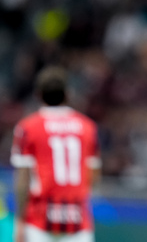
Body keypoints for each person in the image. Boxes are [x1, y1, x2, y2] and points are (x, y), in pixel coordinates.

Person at [10, 66, 101, 242]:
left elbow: (23, 180)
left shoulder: (28, 127)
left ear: (38, 94)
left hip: (40, 218)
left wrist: (20, 220)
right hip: (77, 218)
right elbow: (93, 177)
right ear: (68, 94)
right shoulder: (88, 128)